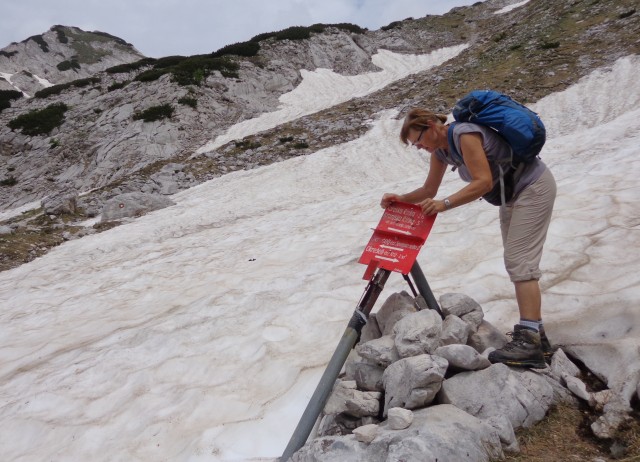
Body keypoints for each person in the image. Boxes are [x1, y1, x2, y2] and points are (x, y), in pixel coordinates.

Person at [381, 108, 556, 368]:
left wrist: (445, 204)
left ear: (431, 125)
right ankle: (537, 339)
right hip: (513, 195)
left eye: (418, 139)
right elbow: (429, 189)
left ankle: (530, 341)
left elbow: (483, 182)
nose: (419, 147)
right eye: (414, 145)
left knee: (521, 263)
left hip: (533, 187)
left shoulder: (464, 135)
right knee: (517, 263)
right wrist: (401, 199)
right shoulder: (441, 150)